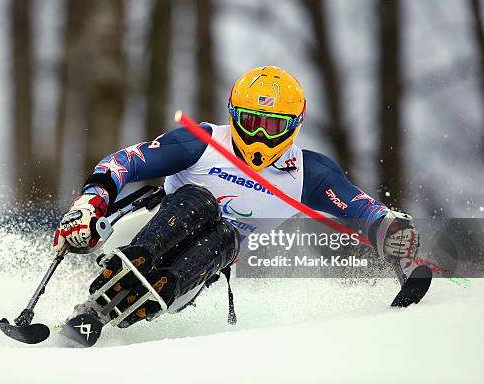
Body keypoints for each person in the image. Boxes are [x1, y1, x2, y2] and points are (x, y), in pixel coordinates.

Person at [53, 66, 419, 328]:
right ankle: (113, 286)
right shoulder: (202, 141)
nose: (259, 136)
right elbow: (125, 162)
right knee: (200, 200)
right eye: (250, 121)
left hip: (197, 267)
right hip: (144, 231)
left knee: (227, 235)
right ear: (233, 114)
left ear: (294, 126)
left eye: (273, 126)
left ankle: (137, 304)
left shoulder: (311, 173)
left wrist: (390, 229)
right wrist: (90, 203)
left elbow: (361, 209)